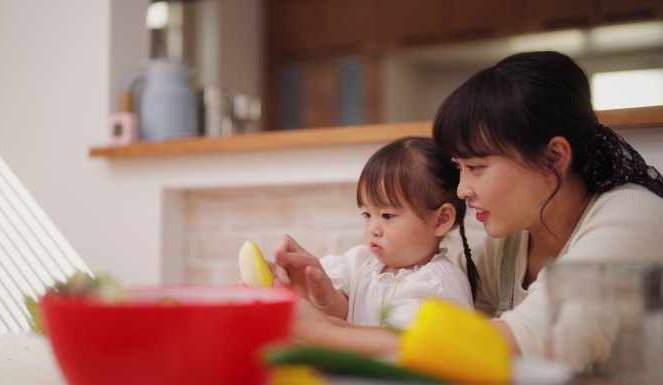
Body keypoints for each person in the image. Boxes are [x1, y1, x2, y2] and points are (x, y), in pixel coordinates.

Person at [272, 51, 663, 369]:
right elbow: (431, 332)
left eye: (476, 167)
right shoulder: (508, 248)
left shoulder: (634, 219)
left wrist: (325, 333)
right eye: (459, 169)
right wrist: (324, 293)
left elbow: (514, 344)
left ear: (553, 158)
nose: (462, 189)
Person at [275, 137, 477, 331]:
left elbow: (391, 345)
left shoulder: (438, 284)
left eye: (387, 215)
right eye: (367, 214)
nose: (373, 228)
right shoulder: (360, 263)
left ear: (441, 220)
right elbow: (346, 316)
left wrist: (318, 326)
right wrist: (324, 296)